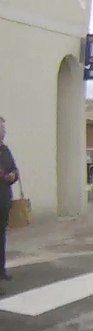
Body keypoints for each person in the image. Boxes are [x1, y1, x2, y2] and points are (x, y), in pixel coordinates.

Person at [0, 116, 17, 281]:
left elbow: (14, 168)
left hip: (4, 200)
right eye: (2, 129)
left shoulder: (5, 150)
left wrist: (13, 175)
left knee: (1, 237)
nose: (4, 132)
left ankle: (1, 271)